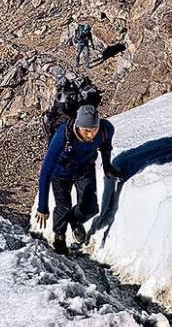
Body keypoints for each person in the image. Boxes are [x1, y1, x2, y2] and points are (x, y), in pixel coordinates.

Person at [35, 104, 122, 254]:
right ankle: (59, 237)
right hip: (60, 172)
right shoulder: (63, 134)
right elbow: (46, 169)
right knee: (63, 206)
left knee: (91, 208)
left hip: (84, 169)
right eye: (86, 130)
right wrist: (42, 206)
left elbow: (105, 146)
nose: (90, 135)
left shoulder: (105, 129)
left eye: (93, 129)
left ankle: (75, 220)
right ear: (77, 126)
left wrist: (107, 165)